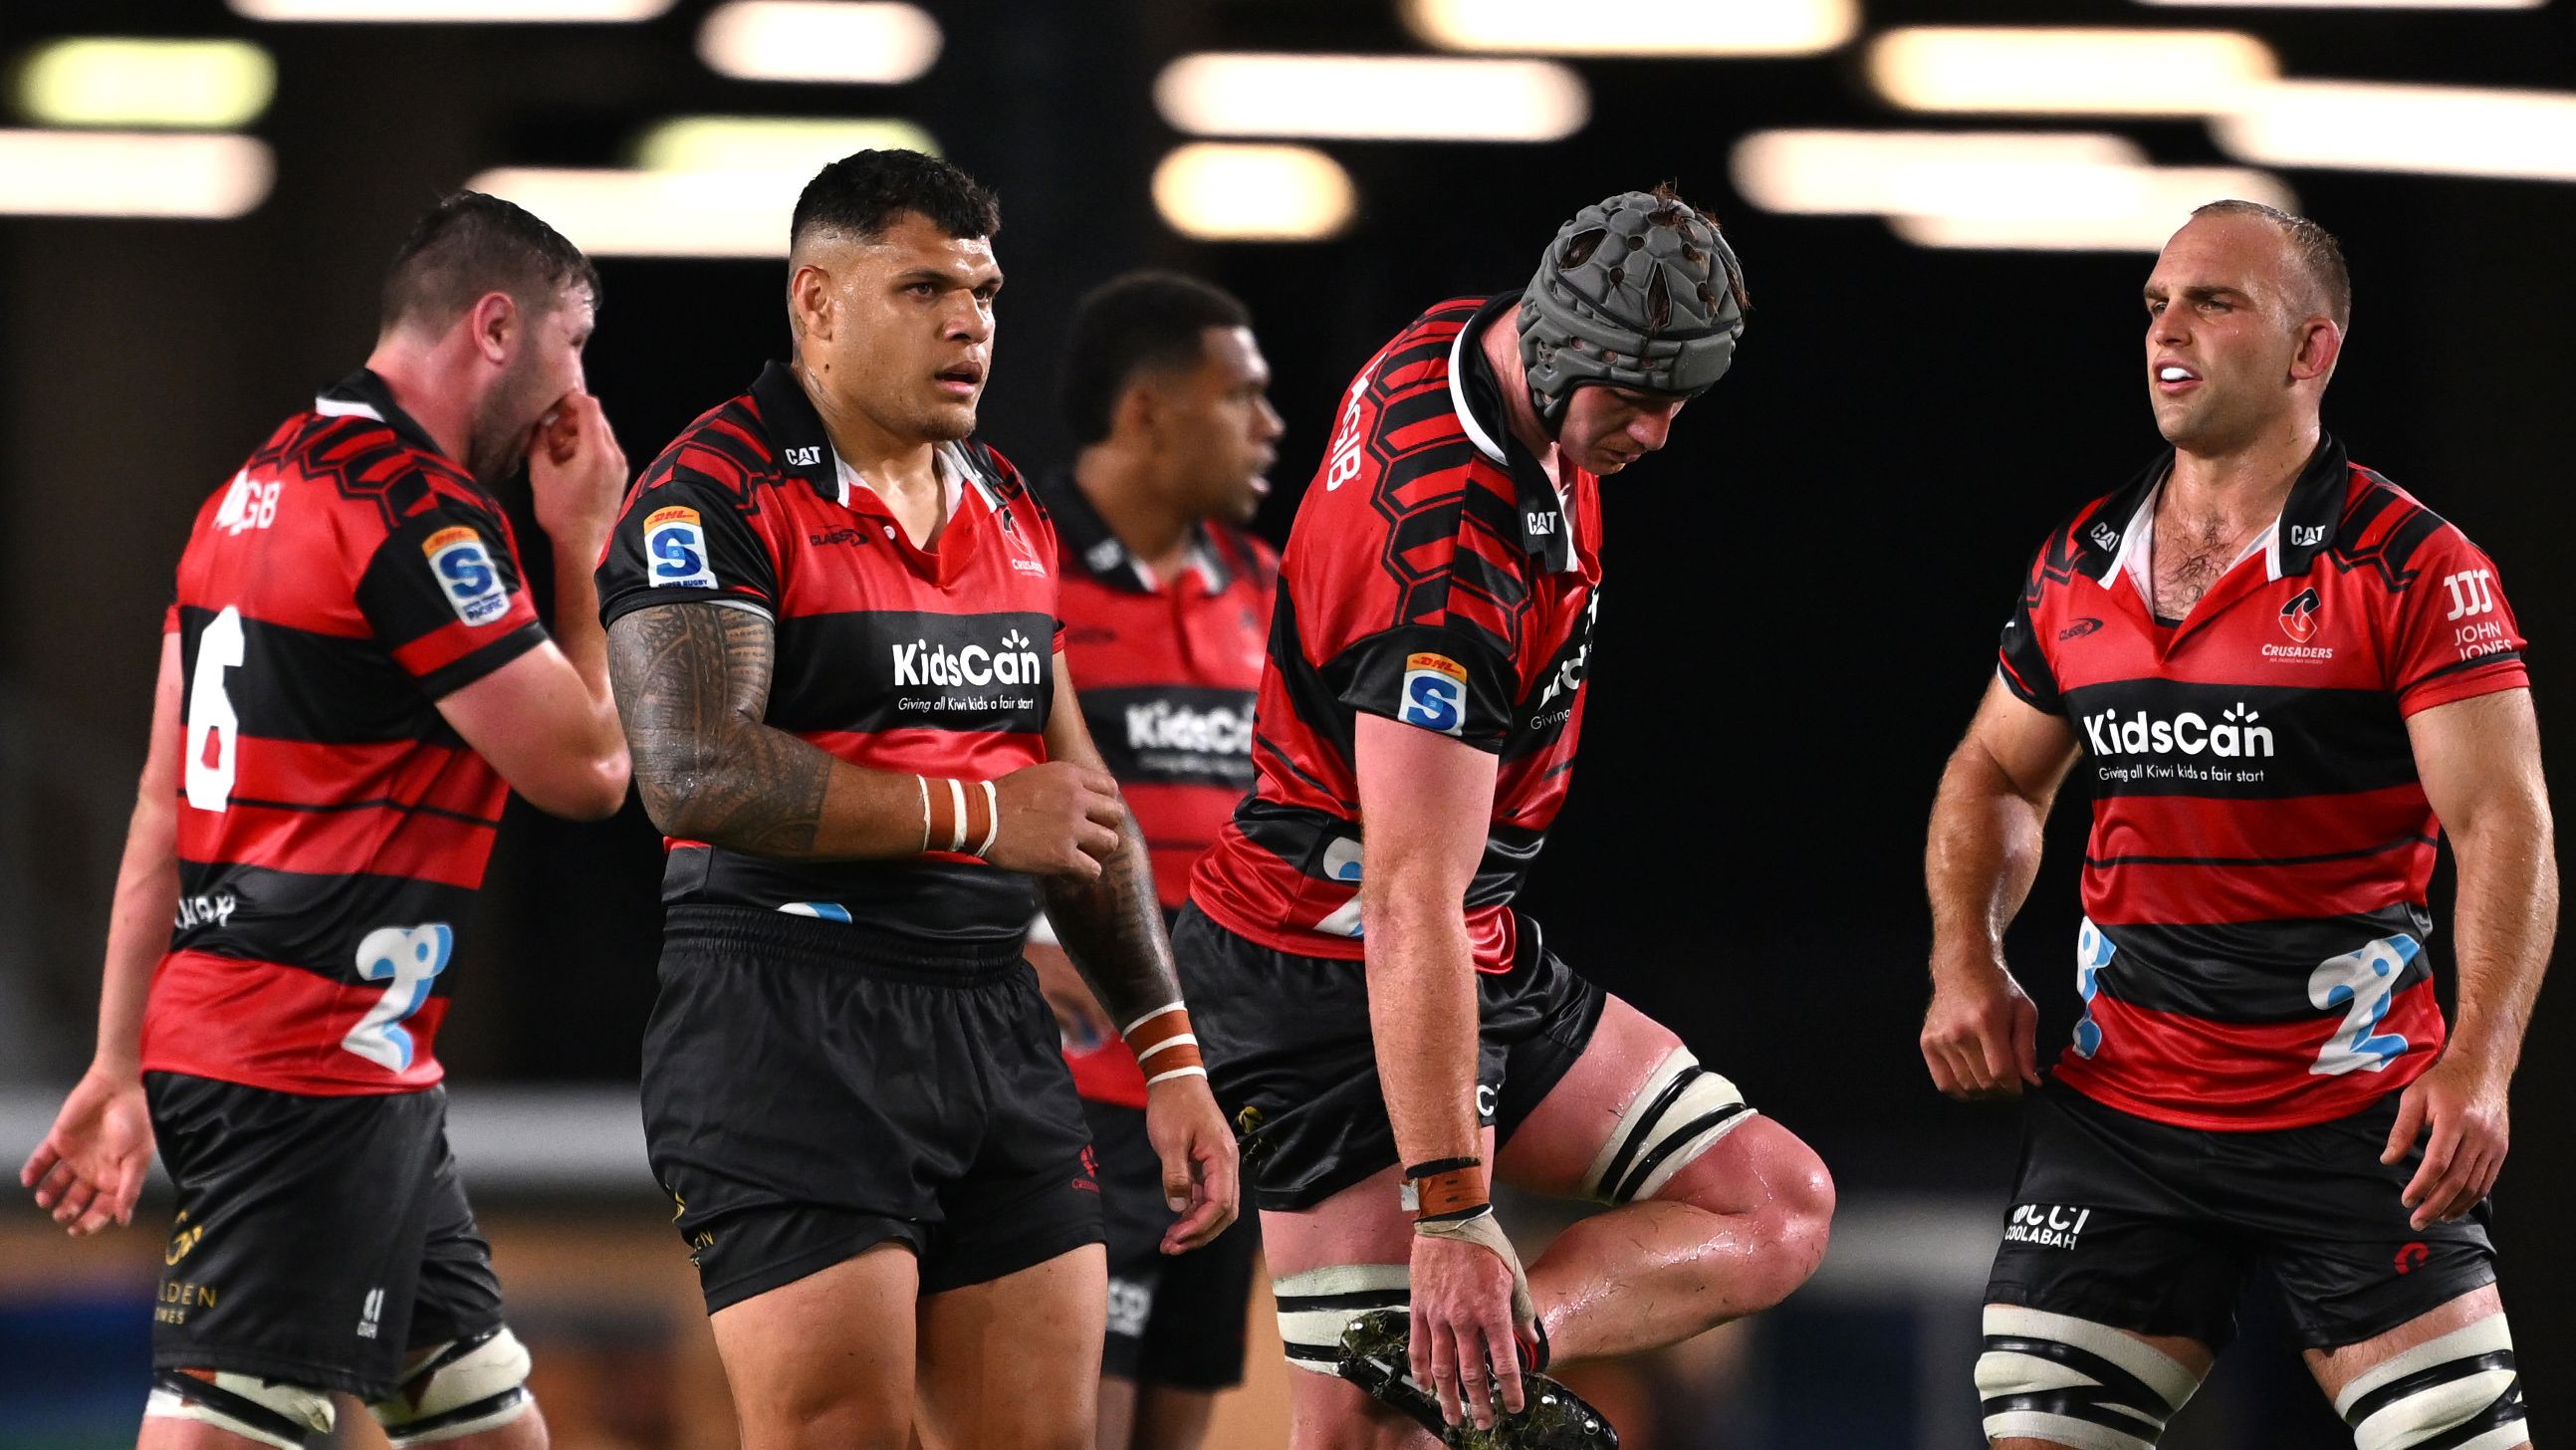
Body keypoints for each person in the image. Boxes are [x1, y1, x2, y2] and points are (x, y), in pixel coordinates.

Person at [595, 150, 1238, 1450]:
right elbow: (695, 769)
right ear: (815, 306)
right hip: (784, 1021)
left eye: (985, 293)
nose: (968, 324)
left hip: (991, 1021)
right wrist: (977, 821)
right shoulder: (713, 493)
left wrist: (1170, 1061)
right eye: (923, 288)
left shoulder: (1007, 505)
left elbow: (1079, 804)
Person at [1177, 186, 1836, 1448]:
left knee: (1773, 1205)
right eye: (1636, 400)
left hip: (1466, 942)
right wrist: (1450, 1212)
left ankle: (1474, 1349)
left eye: (1678, 398)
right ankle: (1437, 1344)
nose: (1658, 432)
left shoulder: (1466, 340)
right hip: (1332, 975)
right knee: (1366, 1439)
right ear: (1559, 352)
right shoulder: (1449, 563)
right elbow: (1403, 892)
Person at [1921, 201, 2550, 1450]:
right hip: (2127, 1120)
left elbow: (2502, 821)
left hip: (2357, 1124)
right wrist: (1965, 957)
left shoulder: (2413, 566)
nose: (2169, 330)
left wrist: (2482, 1056)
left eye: (2216, 303)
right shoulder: (2077, 564)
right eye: (2157, 302)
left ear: (2311, 352)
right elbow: (1994, 769)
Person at [17, 192, 632, 1450]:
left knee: (482, 1416)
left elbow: (158, 802)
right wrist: (583, 544)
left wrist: (121, 1059)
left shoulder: (245, 494)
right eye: (574, 349)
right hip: (307, 1059)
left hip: (311, 1050)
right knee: (227, 1416)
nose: (580, 399)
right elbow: (589, 770)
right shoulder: (418, 514)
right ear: (497, 326)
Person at [1022, 270, 1284, 1450]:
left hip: (1224, 1103)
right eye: (1241, 396)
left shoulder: (1267, 593)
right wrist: (1015, 933)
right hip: (1073, 1106)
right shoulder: (1016, 567)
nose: (1271, 426)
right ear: (1145, 412)